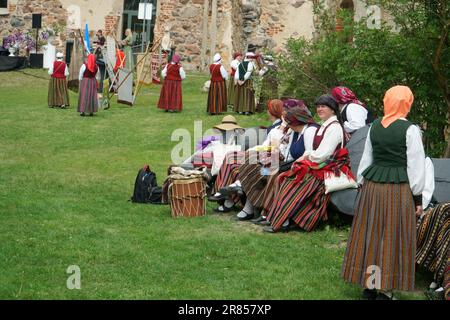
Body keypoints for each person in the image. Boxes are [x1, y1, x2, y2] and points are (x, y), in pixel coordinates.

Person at [341, 85, 426, 300]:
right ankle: (385, 291)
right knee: (391, 236)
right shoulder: (410, 129)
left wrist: (362, 182)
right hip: (397, 191)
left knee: (373, 235)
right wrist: (418, 197)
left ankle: (370, 287)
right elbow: (416, 167)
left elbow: (367, 159)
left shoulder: (375, 126)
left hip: (372, 187)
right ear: (407, 103)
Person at [264, 94, 350, 233]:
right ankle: (271, 215)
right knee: (273, 173)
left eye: (323, 106)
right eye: (318, 106)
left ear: (333, 109)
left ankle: (280, 219)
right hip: (312, 164)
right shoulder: (322, 126)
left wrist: (304, 159)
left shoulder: (332, 128)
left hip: (328, 168)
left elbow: (323, 154)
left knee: (286, 179)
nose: (319, 109)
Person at [236, 100, 319, 221]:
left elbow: (309, 152)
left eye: (287, 112)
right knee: (260, 168)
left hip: (300, 166)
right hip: (286, 162)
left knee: (268, 172)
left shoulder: (309, 130)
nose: (283, 115)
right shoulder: (293, 131)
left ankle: (265, 211)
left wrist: (287, 159)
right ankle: (253, 206)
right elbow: (282, 148)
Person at [210, 99, 285, 213]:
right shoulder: (275, 127)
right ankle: (224, 195)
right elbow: (265, 145)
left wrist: (254, 152)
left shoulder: (282, 128)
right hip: (262, 155)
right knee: (230, 156)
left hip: (269, 160)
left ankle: (227, 197)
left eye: (268, 109)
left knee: (235, 161)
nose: (267, 112)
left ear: (272, 111)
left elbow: (274, 148)